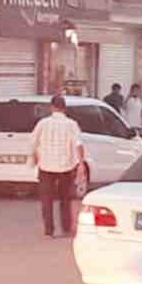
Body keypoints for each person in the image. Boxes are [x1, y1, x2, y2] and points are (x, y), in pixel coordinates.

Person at [31, 95, 86, 239]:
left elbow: (33, 142)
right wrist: (81, 164)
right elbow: (78, 145)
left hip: (46, 166)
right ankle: (66, 228)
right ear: (64, 108)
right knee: (65, 199)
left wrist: (34, 157)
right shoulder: (72, 124)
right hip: (65, 167)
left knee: (46, 200)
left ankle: (49, 231)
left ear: (52, 108)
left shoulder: (43, 123)